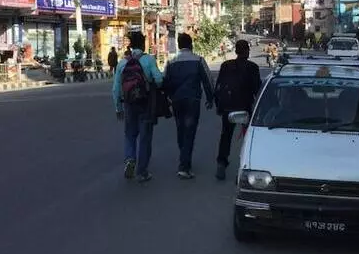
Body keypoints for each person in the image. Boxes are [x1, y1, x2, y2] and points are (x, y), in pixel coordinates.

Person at [112, 32, 164, 183]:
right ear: (143, 44)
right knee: (145, 138)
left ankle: (129, 159)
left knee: (130, 134)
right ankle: (142, 172)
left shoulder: (122, 63)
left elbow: (116, 88)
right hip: (145, 103)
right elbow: (159, 79)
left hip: (128, 104)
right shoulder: (148, 60)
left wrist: (118, 108)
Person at [163, 33, 214, 179]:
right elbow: (208, 80)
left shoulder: (171, 62)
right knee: (190, 132)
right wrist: (210, 99)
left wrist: (168, 99)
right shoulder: (198, 60)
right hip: (193, 100)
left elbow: (165, 82)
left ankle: (184, 159)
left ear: (179, 45)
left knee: (181, 130)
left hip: (177, 101)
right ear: (191, 45)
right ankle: (184, 166)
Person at [214, 39, 262, 180]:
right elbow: (257, 89)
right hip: (245, 108)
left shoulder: (226, 65)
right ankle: (244, 168)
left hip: (228, 108)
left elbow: (219, 87)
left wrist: (219, 106)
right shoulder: (252, 67)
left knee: (226, 136)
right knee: (247, 139)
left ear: (236, 51)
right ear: (247, 51)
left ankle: (221, 164)